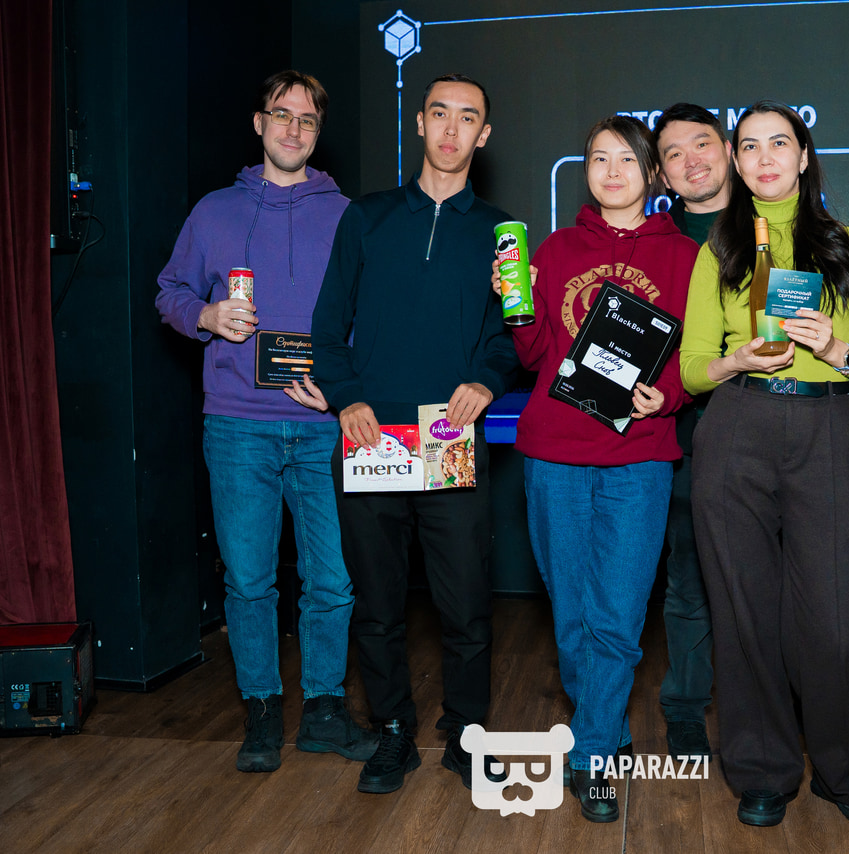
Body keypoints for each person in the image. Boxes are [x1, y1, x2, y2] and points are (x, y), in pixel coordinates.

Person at [679, 101, 849, 828]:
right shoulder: (718, 250)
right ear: (737, 163)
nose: (765, 157)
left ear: (804, 157)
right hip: (736, 427)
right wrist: (736, 360)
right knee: (743, 609)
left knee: (840, 615)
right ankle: (762, 770)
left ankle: (843, 768)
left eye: (780, 142)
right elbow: (690, 369)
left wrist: (837, 348)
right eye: (749, 146)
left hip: (823, 429)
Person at [155, 70, 376, 774]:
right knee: (249, 580)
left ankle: (324, 710)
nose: (293, 129)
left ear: (318, 131)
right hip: (237, 425)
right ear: (259, 122)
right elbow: (169, 290)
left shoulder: (346, 215)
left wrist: (341, 391)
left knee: (332, 580)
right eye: (282, 115)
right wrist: (205, 314)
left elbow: (368, 316)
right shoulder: (214, 211)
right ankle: (260, 709)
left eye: (307, 120)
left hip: (322, 426)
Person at [310, 73, 519, 796]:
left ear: (483, 135)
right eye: (440, 114)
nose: (452, 129)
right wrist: (346, 400)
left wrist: (486, 381)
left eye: (468, 118)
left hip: (449, 437)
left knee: (466, 607)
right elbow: (326, 328)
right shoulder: (365, 218)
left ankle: (467, 734)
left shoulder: (501, 231)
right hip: (373, 438)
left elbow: (508, 338)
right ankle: (394, 730)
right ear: (421, 122)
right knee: (377, 606)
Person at [501, 115, 698, 822]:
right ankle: (606, 728)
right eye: (597, 159)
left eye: (626, 159)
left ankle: (591, 759)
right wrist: (517, 305)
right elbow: (532, 357)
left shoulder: (686, 257)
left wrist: (666, 395)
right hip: (553, 454)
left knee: (615, 617)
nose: (611, 171)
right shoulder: (556, 249)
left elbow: (696, 357)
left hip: (639, 457)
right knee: (572, 617)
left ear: (652, 174)